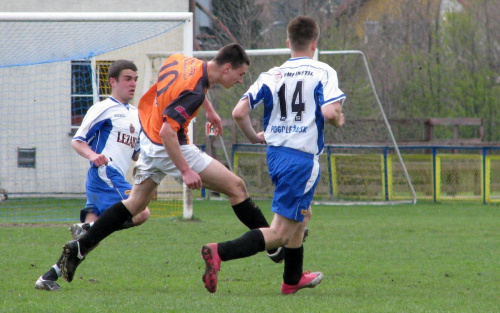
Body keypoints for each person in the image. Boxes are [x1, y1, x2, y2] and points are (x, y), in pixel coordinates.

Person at [57, 43, 278, 283]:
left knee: (136, 203)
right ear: (226, 68)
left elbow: (183, 89)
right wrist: (186, 171)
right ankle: (274, 243)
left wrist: (211, 111)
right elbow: (168, 132)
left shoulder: (182, 61)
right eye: (240, 74)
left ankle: (79, 248)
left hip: (148, 139)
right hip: (168, 145)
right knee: (237, 188)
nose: (239, 80)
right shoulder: (195, 92)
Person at [200, 16, 346, 294]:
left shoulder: (271, 75)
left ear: (288, 42)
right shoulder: (323, 71)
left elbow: (238, 112)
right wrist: (338, 118)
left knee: (302, 216)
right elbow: (329, 112)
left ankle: (292, 280)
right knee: (279, 232)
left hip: (276, 156)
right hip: (301, 159)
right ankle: (219, 252)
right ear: (314, 43)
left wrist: (254, 136)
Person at [35, 60, 151, 291]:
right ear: (112, 82)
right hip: (105, 174)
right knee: (141, 211)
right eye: (128, 78)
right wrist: (93, 155)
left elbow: (136, 153)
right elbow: (78, 141)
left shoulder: (137, 116)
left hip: (110, 178)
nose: (133, 84)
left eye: (136, 79)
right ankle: (86, 230)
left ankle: (48, 277)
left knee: (87, 244)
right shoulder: (103, 108)